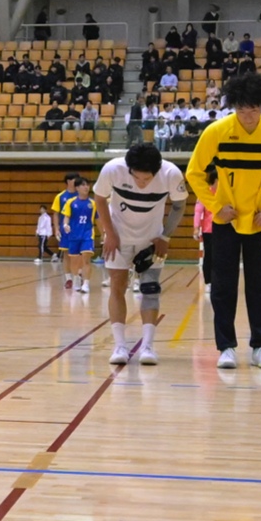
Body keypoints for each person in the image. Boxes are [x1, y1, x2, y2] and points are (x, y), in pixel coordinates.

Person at [185, 70, 261, 369]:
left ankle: (260, 346)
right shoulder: (217, 131)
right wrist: (214, 206)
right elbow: (194, 173)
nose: (248, 116)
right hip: (226, 222)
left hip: (259, 222)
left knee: (259, 287)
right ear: (233, 106)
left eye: (254, 109)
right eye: (242, 110)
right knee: (223, 287)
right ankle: (226, 348)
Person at [91, 142, 186, 366]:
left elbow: (179, 205)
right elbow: (100, 198)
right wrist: (109, 233)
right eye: (137, 178)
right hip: (118, 237)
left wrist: (165, 237)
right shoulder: (112, 169)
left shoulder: (171, 174)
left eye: (147, 179)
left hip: (151, 239)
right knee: (117, 287)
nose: (141, 183)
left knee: (150, 289)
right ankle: (119, 346)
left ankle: (148, 346)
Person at [58, 176, 96, 295]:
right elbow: (66, 217)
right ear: (77, 188)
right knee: (74, 261)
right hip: (74, 235)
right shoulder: (71, 202)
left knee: (86, 259)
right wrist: (65, 225)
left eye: (87, 185)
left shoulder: (93, 203)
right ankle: (76, 279)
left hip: (87, 235)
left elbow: (98, 219)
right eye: (83, 185)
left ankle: (86, 284)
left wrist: (104, 233)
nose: (86, 187)